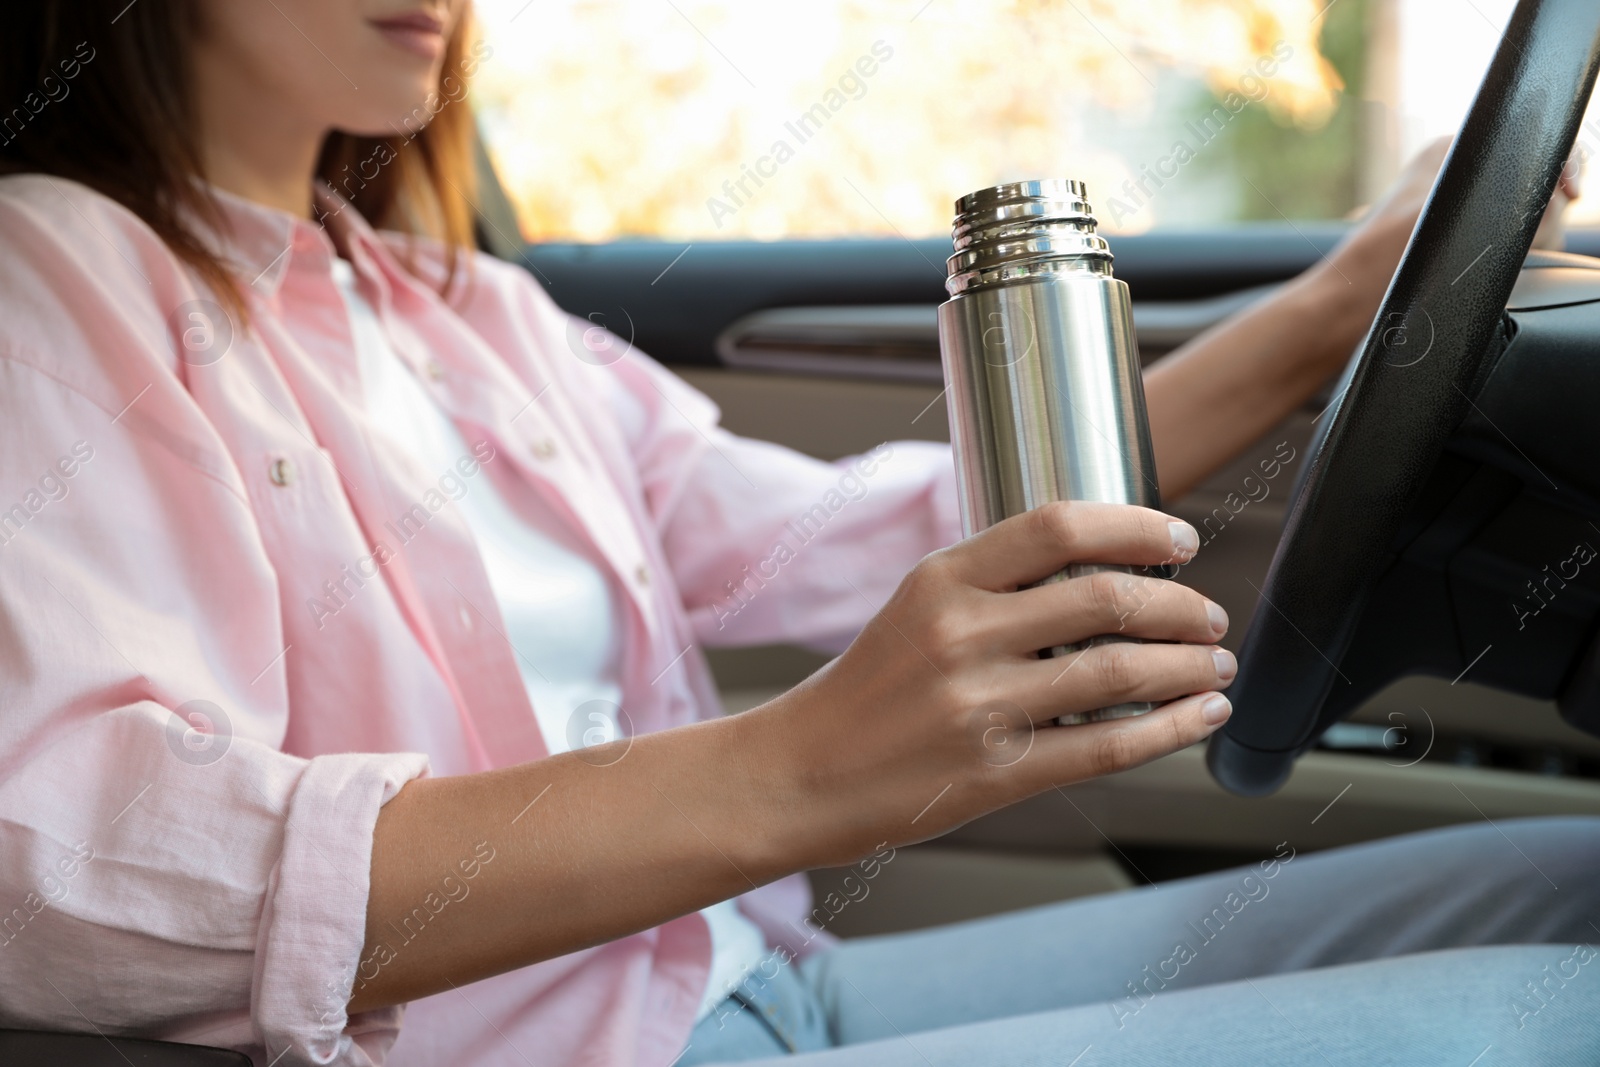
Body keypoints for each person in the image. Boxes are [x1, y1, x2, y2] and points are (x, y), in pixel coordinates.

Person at [0, 2, 1593, 1065]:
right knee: (1560, 1010)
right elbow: (63, 862)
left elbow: (877, 530)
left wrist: (1333, 315)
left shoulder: (472, 316)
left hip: (745, 993)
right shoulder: (54, 268)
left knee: (1570, 887)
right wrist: (803, 770)